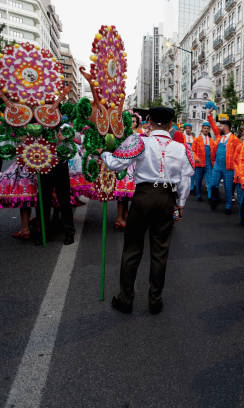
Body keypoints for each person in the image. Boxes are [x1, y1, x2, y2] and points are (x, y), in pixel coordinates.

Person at [100, 107, 195, 315]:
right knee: (160, 251)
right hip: (167, 199)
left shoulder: (139, 141)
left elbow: (116, 164)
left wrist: (103, 153)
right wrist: (180, 206)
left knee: (132, 249)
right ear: (171, 124)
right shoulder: (181, 148)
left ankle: (126, 299)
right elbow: (186, 181)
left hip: (143, 197)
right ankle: (155, 300)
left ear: (149, 121)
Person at [36, 127, 76, 245]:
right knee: (43, 201)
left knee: (64, 200)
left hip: (60, 166)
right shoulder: (39, 128)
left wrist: (65, 140)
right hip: (44, 167)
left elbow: (72, 149)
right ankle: (43, 233)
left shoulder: (64, 128)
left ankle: (69, 233)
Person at [113, 114, 141, 230]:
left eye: (135, 121)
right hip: (124, 167)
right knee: (122, 195)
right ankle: (119, 218)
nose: (132, 123)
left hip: (135, 168)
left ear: (137, 123)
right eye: (131, 121)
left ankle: (126, 215)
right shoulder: (122, 134)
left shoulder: (140, 135)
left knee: (131, 196)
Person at [209, 116, 240, 213]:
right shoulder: (219, 137)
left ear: (226, 126)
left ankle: (228, 206)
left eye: (221, 125)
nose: (219, 127)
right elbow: (213, 126)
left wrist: (237, 170)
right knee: (213, 184)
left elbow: (238, 156)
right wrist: (209, 115)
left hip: (229, 167)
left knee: (228, 188)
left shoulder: (235, 139)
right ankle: (214, 199)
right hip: (217, 165)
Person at [191, 120, 217, 201]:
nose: (206, 129)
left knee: (209, 180)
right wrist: (196, 158)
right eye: (204, 128)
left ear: (209, 130)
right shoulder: (196, 140)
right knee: (198, 180)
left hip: (208, 163)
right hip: (199, 163)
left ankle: (209, 196)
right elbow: (192, 151)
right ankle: (198, 195)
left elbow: (214, 151)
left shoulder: (211, 141)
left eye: (207, 128)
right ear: (202, 129)